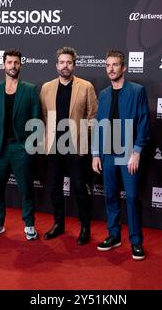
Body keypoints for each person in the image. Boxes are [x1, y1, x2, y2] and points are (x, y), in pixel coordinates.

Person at [92, 50, 150, 260]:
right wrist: (96, 153)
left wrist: (136, 152)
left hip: (128, 154)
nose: (111, 69)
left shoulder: (137, 91)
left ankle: (136, 241)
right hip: (107, 153)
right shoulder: (104, 94)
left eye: (115, 65)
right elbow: (99, 125)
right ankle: (114, 235)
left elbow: (143, 122)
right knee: (110, 196)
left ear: (123, 67)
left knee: (132, 197)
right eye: (108, 65)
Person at [40, 47, 98, 245]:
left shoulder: (86, 86)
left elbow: (93, 117)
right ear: (56, 65)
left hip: (77, 146)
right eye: (62, 62)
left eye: (69, 62)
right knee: (54, 187)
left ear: (74, 64)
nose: (65, 66)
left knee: (80, 188)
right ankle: (58, 224)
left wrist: (84, 137)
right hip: (54, 146)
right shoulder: (46, 87)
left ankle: (85, 227)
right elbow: (44, 116)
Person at [0, 49, 41, 240]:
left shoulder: (30, 89)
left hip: (21, 148)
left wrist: (30, 146)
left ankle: (29, 225)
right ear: (3, 65)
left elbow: (36, 120)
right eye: (9, 62)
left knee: (26, 189)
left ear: (21, 65)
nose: (13, 66)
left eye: (16, 62)